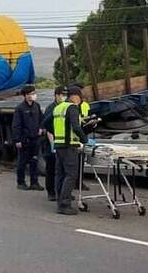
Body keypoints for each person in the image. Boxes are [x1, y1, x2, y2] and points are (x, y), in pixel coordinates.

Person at [52, 86, 89, 214]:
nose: (81, 100)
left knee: (60, 174)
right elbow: (76, 127)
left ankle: (59, 201)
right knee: (71, 175)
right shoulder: (72, 108)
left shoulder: (58, 107)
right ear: (74, 96)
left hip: (58, 145)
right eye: (80, 97)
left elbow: (47, 123)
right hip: (69, 146)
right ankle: (65, 204)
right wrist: (84, 139)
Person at [11, 84, 44, 190]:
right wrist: (17, 139)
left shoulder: (36, 106)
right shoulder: (20, 108)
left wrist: (41, 128)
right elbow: (16, 125)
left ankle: (34, 182)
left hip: (35, 138)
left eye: (33, 93)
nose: (31, 96)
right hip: (24, 139)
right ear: (25, 96)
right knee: (22, 162)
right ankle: (20, 182)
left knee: (34, 160)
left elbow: (41, 119)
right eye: (29, 94)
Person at [41, 85, 68, 201]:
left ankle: (62, 192)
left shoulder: (65, 107)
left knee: (62, 170)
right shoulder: (51, 108)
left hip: (61, 143)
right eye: (61, 95)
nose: (64, 97)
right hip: (51, 143)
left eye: (65, 95)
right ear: (56, 95)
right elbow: (47, 128)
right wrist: (53, 145)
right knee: (51, 169)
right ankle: (51, 192)